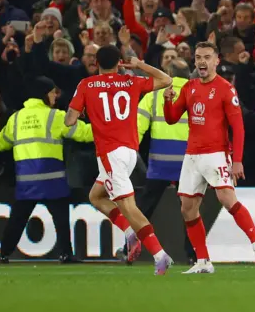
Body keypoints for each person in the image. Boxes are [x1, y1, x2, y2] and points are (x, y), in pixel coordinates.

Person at [163, 42, 255, 274]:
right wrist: (167, 100)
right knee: (187, 208)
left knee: (226, 198)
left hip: (216, 153)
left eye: (207, 57)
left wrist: (238, 160)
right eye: (198, 57)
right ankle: (203, 261)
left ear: (216, 61)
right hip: (192, 156)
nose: (202, 61)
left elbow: (238, 127)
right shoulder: (190, 87)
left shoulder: (225, 89)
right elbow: (172, 118)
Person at [66, 45, 175, 275]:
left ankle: (159, 255)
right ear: (119, 63)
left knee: (128, 206)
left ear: (96, 63)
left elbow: (69, 120)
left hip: (109, 153)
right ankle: (128, 232)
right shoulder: (130, 82)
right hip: (129, 152)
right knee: (96, 196)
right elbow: (166, 79)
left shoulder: (86, 85)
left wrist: (82, 111)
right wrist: (139, 65)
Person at [0, 76, 93, 263]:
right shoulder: (56, 116)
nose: (55, 96)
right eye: (53, 92)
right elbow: (84, 133)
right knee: (61, 219)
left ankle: (3, 253)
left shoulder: (16, 118)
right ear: (45, 94)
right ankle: (65, 254)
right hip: (52, 180)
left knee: (17, 219)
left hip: (26, 182)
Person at [135, 58, 195, 263]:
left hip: (159, 165)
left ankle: (129, 249)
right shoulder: (196, 95)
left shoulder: (153, 96)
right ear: (189, 74)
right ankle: (194, 255)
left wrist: (127, 153)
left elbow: (137, 129)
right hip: (188, 164)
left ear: (167, 72)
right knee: (190, 211)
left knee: (144, 210)